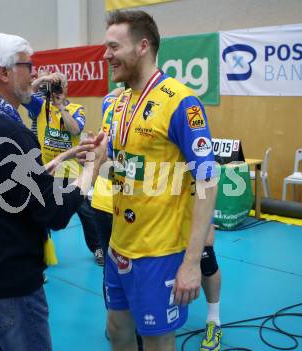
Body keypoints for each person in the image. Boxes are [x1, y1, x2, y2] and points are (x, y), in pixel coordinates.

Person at [0, 33, 106, 351]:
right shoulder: (11, 133)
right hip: (11, 287)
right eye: (29, 66)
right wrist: (93, 167)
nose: (35, 74)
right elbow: (53, 212)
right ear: (3, 72)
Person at [103, 10, 218, 351]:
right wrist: (96, 156)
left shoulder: (181, 102)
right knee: (117, 329)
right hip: (118, 244)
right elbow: (124, 164)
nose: (106, 55)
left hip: (160, 253)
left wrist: (191, 262)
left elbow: (207, 181)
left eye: (113, 47)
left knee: (157, 342)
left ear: (142, 46)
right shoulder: (121, 101)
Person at [23, 72, 105, 265]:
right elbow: (26, 94)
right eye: (55, 85)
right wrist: (44, 80)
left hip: (71, 170)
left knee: (85, 211)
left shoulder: (77, 109)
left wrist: (60, 107)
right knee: (41, 213)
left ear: (67, 89)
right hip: (48, 170)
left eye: (61, 85)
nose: (58, 88)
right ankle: (41, 253)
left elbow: (75, 129)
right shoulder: (41, 107)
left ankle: (97, 248)